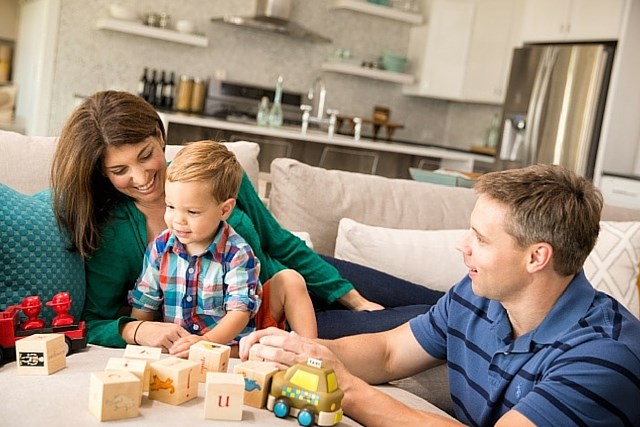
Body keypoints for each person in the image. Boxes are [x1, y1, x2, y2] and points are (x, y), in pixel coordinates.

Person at [240, 164, 640, 426]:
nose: (463, 246)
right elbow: (389, 352)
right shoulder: (479, 294)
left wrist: (345, 389)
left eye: (480, 239)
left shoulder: (602, 357)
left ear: (537, 257)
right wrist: (300, 351)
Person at [50, 90, 443, 353]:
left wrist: (354, 298)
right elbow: (96, 320)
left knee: (442, 300)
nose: (140, 177)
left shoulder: (210, 173)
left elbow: (279, 243)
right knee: (441, 322)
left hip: (301, 276)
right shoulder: (114, 229)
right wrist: (136, 331)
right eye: (120, 170)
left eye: (146, 154)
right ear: (102, 173)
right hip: (271, 320)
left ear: (159, 134)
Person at [129, 140, 317, 357]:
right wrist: (138, 339)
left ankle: (311, 353)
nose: (178, 220)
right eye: (170, 207)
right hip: (180, 346)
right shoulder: (160, 248)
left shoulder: (236, 252)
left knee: (291, 279)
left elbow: (240, 313)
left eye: (192, 212)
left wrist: (205, 343)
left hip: (235, 342)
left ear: (225, 209)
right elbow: (143, 307)